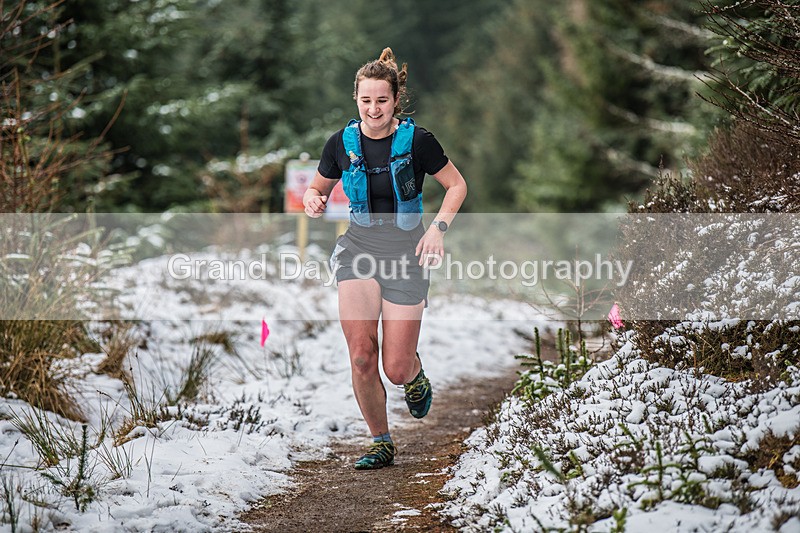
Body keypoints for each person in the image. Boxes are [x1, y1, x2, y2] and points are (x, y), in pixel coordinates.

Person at [302, 47, 467, 470]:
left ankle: (413, 373)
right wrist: (312, 198)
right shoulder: (341, 143)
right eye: (365, 100)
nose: (373, 109)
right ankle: (380, 441)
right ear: (355, 100)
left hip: (407, 252)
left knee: (393, 367)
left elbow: (457, 186)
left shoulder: (419, 141)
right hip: (358, 248)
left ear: (396, 100)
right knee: (360, 353)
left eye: (381, 100)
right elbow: (316, 187)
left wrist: (438, 229)